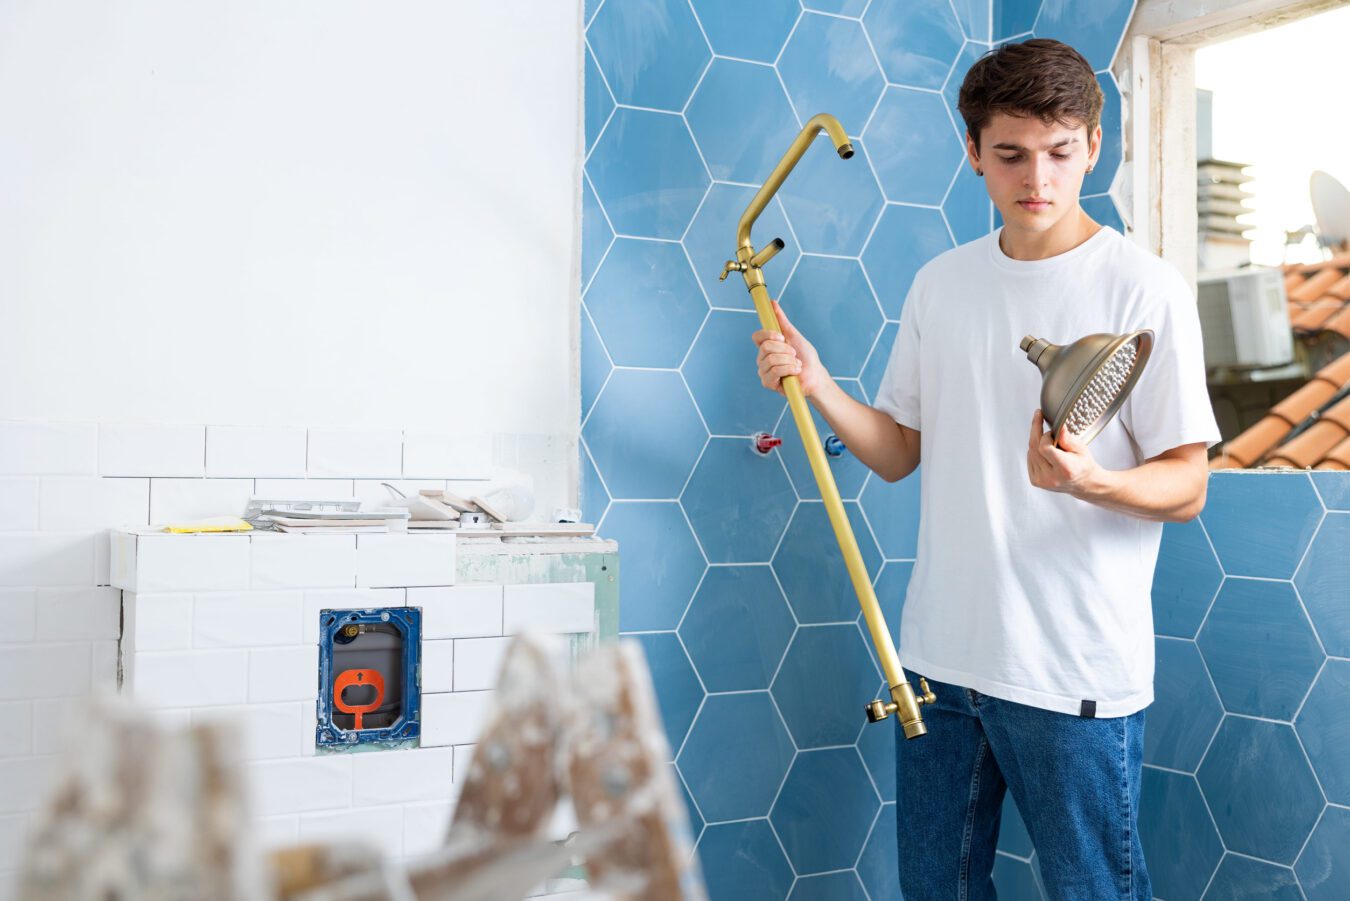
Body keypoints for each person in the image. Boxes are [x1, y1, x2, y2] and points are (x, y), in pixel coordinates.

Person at [752, 38, 1220, 900]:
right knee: (937, 891)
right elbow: (898, 451)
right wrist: (816, 384)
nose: (1035, 177)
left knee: (1095, 893)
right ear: (973, 153)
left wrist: (1092, 482)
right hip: (937, 661)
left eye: (1059, 152)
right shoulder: (942, 285)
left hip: (1072, 668)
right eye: (1009, 154)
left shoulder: (1142, 290)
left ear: (1094, 144)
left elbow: (1187, 482)